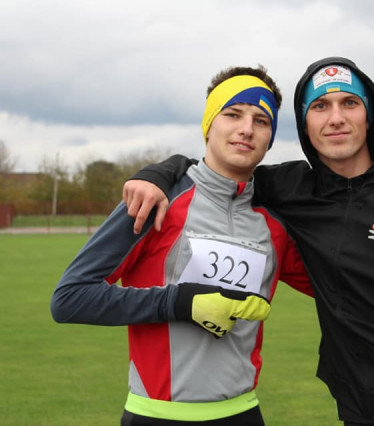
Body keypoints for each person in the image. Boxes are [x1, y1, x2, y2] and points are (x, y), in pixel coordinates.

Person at [123, 57, 374, 426]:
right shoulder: (291, 188)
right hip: (359, 407)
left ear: (370, 116)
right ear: (305, 125)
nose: (336, 117)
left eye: (349, 103)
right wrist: (157, 174)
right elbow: (216, 170)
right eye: (320, 106)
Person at [51, 65, 313, 426]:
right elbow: (70, 298)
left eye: (261, 120)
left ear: (270, 137)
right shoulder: (156, 199)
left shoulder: (275, 224)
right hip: (157, 416)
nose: (246, 129)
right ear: (209, 124)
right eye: (233, 114)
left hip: (244, 414)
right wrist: (179, 302)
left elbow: (340, 288)